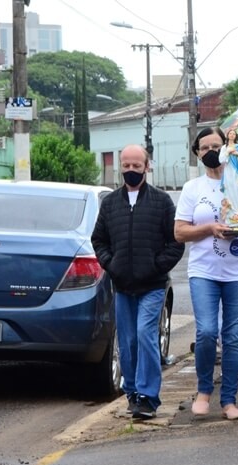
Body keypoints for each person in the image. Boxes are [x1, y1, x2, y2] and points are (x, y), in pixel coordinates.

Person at [175, 127, 238, 420]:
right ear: (197, 153)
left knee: (232, 337)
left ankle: (229, 400)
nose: (211, 151)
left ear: (229, 148)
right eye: (204, 148)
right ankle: (204, 389)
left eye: (216, 145)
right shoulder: (193, 188)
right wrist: (209, 229)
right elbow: (179, 232)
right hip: (204, 270)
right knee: (206, 331)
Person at [91, 144, 185, 420]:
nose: (131, 171)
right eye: (126, 166)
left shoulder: (161, 202)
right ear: (120, 166)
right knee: (128, 341)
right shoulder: (110, 203)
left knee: (145, 336)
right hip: (122, 286)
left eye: (136, 166)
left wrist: (156, 266)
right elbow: (99, 241)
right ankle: (131, 391)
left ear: (147, 166)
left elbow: (175, 242)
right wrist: (112, 264)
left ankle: (148, 396)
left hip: (152, 286)